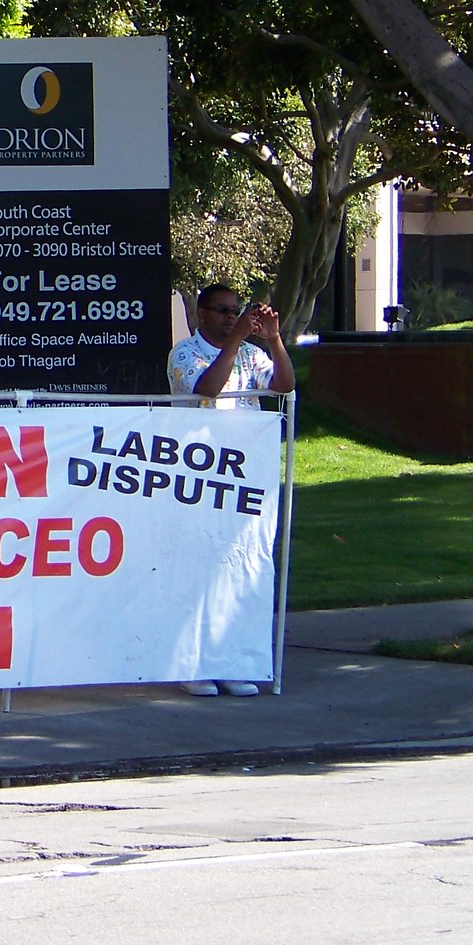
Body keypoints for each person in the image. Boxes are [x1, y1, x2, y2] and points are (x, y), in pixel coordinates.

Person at [165, 282, 296, 698]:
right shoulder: (184, 353)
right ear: (201, 313)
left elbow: (284, 386)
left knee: (240, 569)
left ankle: (233, 662)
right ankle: (193, 665)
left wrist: (273, 339)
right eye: (222, 310)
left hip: (243, 478)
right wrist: (237, 337)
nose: (230, 317)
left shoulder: (253, 355)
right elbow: (207, 390)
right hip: (198, 477)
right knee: (198, 570)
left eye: (235, 311)